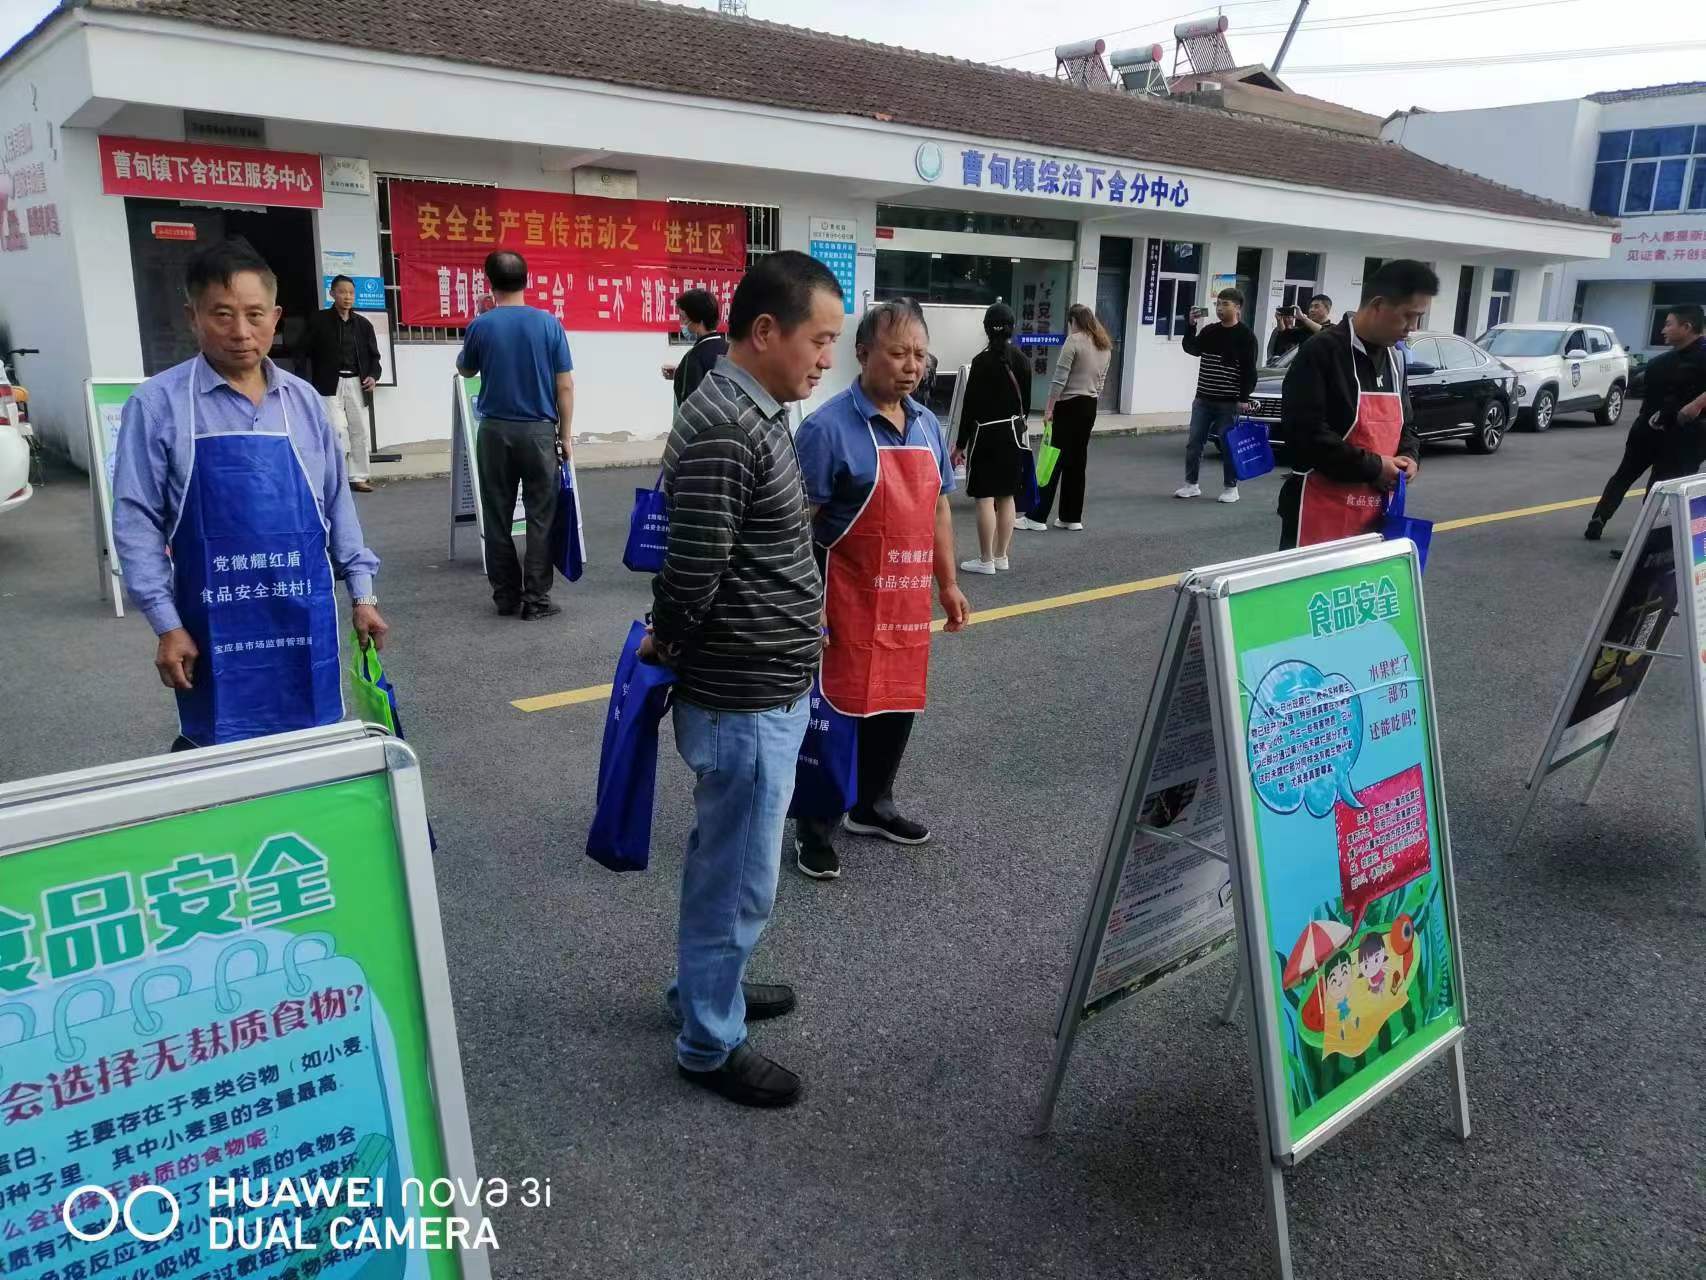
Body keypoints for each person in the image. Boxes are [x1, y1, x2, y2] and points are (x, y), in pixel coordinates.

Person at [641, 250, 845, 1108]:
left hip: (761, 689)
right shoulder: (730, 423)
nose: (826, 359)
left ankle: (705, 990)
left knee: (723, 861)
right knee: (740, 875)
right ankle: (708, 1044)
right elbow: (692, 572)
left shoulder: (747, 408)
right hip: (743, 696)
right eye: (820, 340)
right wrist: (671, 643)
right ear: (765, 332)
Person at [111, 238, 388, 750]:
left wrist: (362, 593)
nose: (241, 332)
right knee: (223, 759)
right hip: (213, 625)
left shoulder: (303, 401)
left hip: (304, 620)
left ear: (276, 316)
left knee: (313, 757)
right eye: (222, 314)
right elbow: (136, 520)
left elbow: (336, 505)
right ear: (193, 315)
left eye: (254, 314)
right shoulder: (157, 405)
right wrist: (165, 624)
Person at [792, 298, 971, 880]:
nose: (911, 365)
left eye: (920, 354)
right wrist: (804, 609)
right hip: (840, 597)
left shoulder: (926, 424)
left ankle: (874, 804)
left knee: (895, 702)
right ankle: (814, 826)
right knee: (833, 714)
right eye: (898, 353)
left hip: (903, 598)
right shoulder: (826, 429)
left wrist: (948, 583)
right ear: (863, 353)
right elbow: (800, 527)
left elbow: (940, 508)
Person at [1276, 260, 1434, 550]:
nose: (1412, 328)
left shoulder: (1396, 360)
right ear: (1378, 305)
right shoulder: (1321, 351)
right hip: (1320, 511)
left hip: (1377, 512)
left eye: (1418, 318)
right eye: (1408, 317)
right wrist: (1375, 467)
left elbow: (1407, 425)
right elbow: (1304, 434)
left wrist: (1410, 456)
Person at [456, 250, 576, 620]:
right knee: (541, 515)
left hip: (494, 432)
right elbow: (565, 387)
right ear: (527, 279)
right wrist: (566, 437)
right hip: (540, 432)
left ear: (489, 283)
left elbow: (465, 368)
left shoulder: (482, 325)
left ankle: (506, 596)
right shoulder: (548, 324)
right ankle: (536, 600)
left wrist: (479, 322)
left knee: (497, 516)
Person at [1585, 303, 1706, 541]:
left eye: (1669, 324)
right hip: (1650, 431)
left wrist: (1695, 405)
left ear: (1687, 326)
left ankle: (1641, 539)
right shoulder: (1660, 362)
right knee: (1631, 477)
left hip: (1682, 436)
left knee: (1656, 487)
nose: (1663, 330)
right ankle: (1602, 521)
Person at [1019, 303, 1113, 531]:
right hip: (1089, 406)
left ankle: (1036, 517)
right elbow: (1100, 382)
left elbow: (1059, 378)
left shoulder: (1074, 341)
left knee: (1051, 460)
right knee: (1077, 462)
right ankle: (1071, 517)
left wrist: (1049, 408)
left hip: (1068, 405)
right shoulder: (1104, 345)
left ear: (1074, 321)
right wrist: (1090, 396)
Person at [953, 303, 1031, 573]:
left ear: (986, 327)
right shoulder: (1022, 360)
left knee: (985, 498)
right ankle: (1001, 556)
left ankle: (985, 560)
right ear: (1012, 327)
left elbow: (969, 408)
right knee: (1006, 496)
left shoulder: (980, 361)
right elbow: (1027, 406)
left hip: (985, 435)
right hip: (1013, 434)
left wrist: (960, 445)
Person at [295, 274, 382, 492]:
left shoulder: (363, 325)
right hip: (327, 383)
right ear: (332, 294)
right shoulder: (318, 320)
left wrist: (373, 375)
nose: (347, 297)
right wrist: (303, 382)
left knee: (359, 430)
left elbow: (375, 357)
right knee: (335, 430)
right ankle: (335, 478)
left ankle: (358, 477)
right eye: (342, 292)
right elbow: (301, 351)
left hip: (357, 383)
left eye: (351, 293)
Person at [1176, 287, 1258, 504]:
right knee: (1194, 443)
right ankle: (1191, 484)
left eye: (1225, 305)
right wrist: (1191, 326)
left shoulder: (1246, 336)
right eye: (1218, 304)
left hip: (1228, 403)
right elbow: (1191, 348)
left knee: (1228, 444)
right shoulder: (1210, 331)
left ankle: (1231, 487)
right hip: (1203, 399)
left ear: (1238, 307)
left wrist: (1243, 398)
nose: (1220, 309)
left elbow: (1249, 370)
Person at [660, 287, 728, 406]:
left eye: (683, 317)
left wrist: (683, 372)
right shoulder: (731, 350)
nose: (681, 323)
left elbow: (690, 408)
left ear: (699, 321)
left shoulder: (693, 358)